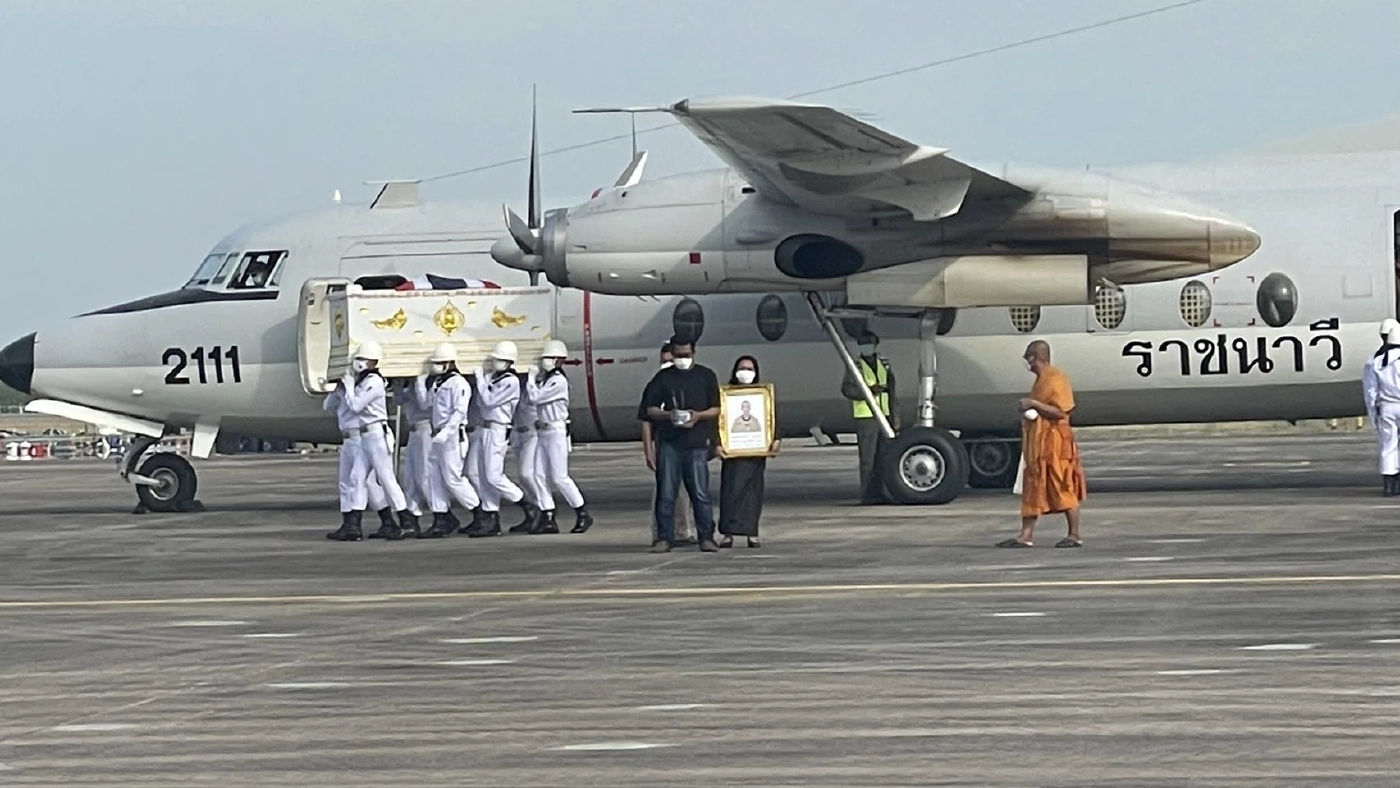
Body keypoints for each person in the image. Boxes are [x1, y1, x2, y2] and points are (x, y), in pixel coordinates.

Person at [998, 340, 1087, 548]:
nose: (1026, 362)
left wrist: (1033, 404)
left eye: (1027, 357)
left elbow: (1061, 411)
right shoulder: (1040, 381)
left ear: (1034, 357)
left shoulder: (1057, 378)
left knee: (1062, 484)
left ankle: (1074, 534)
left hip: (1056, 444)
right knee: (1033, 486)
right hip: (1037, 445)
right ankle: (1025, 535)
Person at [326, 341, 418, 541]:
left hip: (377, 434)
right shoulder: (363, 381)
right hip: (366, 435)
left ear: (372, 362)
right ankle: (353, 525)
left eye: (362, 359)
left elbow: (356, 406)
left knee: (386, 479)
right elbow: (334, 405)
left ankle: (407, 521)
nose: (358, 363)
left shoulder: (374, 381)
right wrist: (341, 389)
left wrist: (349, 388)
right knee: (357, 479)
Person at [641, 336, 721, 553]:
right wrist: (669, 415)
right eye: (678, 355)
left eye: (686, 355)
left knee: (700, 493)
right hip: (670, 443)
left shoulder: (705, 376)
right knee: (667, 492)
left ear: (693, 353)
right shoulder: (662, 379)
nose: (682, 359)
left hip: (696, 443)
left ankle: (707, 536)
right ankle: (664, 537)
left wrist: (698, 416)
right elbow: (649, 410)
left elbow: (716, 408)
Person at [466, 340, 536, 537]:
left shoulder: (510, 381)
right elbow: (481, 404)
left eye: (500, 360)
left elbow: (488, 401)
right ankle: (491, 517)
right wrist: (485, 381)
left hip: (498, 430)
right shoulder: (495, 380)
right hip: (485, 428)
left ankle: (528, 506)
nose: (496, 363)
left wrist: (481, 379)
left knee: (493, 475)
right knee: (479, 475)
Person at [526, 340, 594, 534]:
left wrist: (530, 379)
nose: (545, 362)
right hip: (543, 431)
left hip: (556, 431)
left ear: (559, 360)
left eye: (549, 358)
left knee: (559, 477)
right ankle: (547, 515)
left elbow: (535, 398)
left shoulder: (558, 381)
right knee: (537, 474)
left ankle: (582, 512)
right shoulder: (546, 379)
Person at [324, 363, 395, 542]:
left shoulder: (361, 391)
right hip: (347, 439)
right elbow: (328, 406)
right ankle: (355, 522)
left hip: (359, 438)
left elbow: (355, 406)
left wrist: (349, 388)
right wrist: (336, 390)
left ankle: (356, 525)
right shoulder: (347, 391)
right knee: (347, 482)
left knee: (361, 482)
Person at [417, 343, 481, 538]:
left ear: (449, 364)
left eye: (439, 363)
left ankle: (481, 513)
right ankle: (440, 518)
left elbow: (459, 411)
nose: (435, 366)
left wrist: (447, 431)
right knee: (433, 476)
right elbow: (425, 404)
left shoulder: (458, 384)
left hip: (452, 436)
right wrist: (421, 383)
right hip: (437, 435)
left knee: (453, 479)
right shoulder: (439, 383)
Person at [718, 356, 777, 549]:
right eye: (742, 368)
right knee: (730, 493)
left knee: (753, 495)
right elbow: (719, 424)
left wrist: (775, 440)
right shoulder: (725, 397)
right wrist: (717, 444)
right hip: (732, 456)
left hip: (755, 455)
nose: (746, 372)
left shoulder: (762, 396)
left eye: (750, 368)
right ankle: (728, 533)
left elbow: (772, 421)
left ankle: (752, 533)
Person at [639, 343, 695, 544]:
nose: (668, 365)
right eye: (664, 361)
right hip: (665, 443)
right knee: (664, 490)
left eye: (671, 361)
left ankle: (682, 530)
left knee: (685, 492)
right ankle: (659, 532)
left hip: (688, 443)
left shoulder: (689, 383)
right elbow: (646, 420)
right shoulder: (656, 385)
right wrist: (648, 450)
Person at [841, 331, 899, 504]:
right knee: (868, 459)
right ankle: (868, 495)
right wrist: (867, 392)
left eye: (869, 343)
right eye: (863, 343)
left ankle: (885, 493)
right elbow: (846, 389)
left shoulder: (884, 364)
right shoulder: (855, 366)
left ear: (875, 345)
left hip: (885, 415)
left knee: (884, 457)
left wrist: (895, 416)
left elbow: (892, 391)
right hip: (866, 417)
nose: (866, 346)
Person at [386, 375, 437, 536]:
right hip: (414, 431)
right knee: (411, 478)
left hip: (426, 429)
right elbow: (400, 401)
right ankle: (412, 519)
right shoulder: (411, 385)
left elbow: (424, 405)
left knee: (424, 477)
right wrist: (399, 387)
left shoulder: (429, 383)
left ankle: (441, 515)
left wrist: (420, 382)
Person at [1362, 318, 1400, 495]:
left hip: (1387, 408)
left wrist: (1373, 414)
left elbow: (1371, 392)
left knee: (1388, 446)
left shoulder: (1376, 362)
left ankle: (1389, 486)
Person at [508, 360, 545, 533]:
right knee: (522, 477)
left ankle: (543, 509)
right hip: (518, 433)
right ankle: (533, 516)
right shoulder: (514, 387)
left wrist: (531, 378)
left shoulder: (534, 388)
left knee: (527, 473)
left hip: (532, 434)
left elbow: (534, 398)